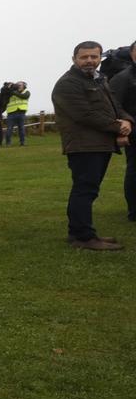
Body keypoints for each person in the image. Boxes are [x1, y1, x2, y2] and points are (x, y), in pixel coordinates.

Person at [50, 40, 132, 251]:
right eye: (84, 57)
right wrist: (117, 127)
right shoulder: (68, 83)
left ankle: (78, 232)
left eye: (94, 57)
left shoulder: (99, 80)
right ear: (74, 59)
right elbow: (85, 115)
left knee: (88, 190)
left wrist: (126, 120)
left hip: (98, 144)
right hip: (83, 145)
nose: (89, 61)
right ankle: (84, 237)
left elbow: (115, 105)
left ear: (99, 58)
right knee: (85, 190)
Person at [110, 47, 136, 223]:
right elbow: (114, 106)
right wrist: (120, 132)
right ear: (132, 54)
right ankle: (134, 210)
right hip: (134, 130)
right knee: (135, 171)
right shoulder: (123, 77)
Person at [4, 82, 31, 146]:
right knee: (9, 129)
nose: (18, 86)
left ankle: (22, 142)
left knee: (21, 128)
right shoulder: (11, 92)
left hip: (21, 112)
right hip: (11, 112)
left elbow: (24, 96)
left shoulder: (26, 92)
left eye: (20, 85)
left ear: (24, 86)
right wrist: (8, 87)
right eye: (17, 85)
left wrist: (12, 91)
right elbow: (4, 93)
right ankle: (8, 143)